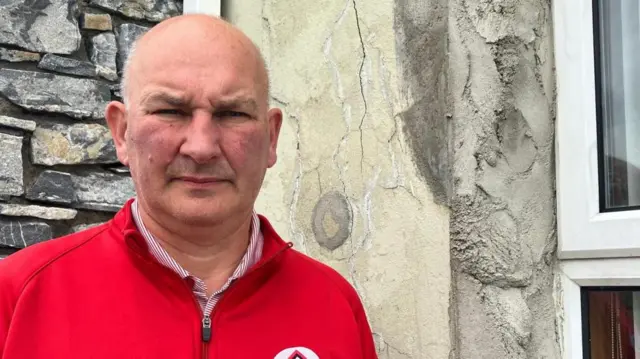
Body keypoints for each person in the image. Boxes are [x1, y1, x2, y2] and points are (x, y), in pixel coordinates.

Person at [0, 14, 377, 359]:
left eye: (232, 113)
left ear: (272, 137)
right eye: (170, 111)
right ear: (121, 132)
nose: (201, 147)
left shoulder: (334, 306)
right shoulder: (18, 297)